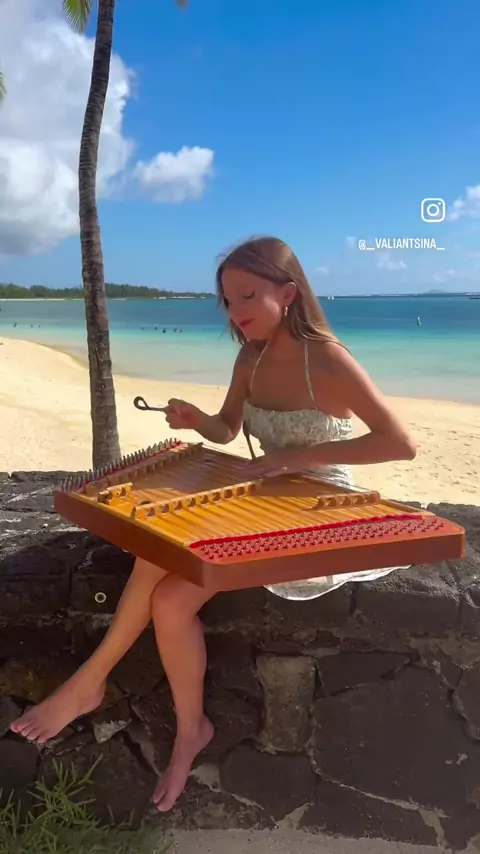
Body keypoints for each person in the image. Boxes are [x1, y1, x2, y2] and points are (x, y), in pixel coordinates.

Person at [11, 236, 416, 811]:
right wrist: (195, 419)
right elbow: (227, 428)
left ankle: (89, 682)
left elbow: (400, 443)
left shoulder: (326, 359)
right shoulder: (250, 357)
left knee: (164, 570)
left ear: (289, 293)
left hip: (319, 510)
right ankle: (190, 729)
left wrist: (295, 459)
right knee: (167, 589)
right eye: (227, 299)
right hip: (265, 498)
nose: (235, 310)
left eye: (248, 295)